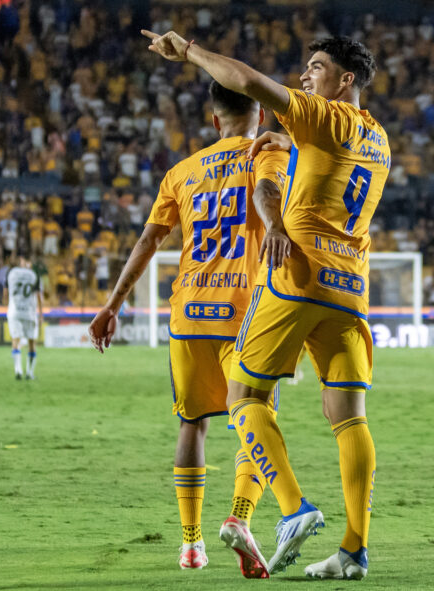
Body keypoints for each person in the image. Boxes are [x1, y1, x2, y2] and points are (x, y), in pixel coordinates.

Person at [142, 29, 387, 580]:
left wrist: (191, 53)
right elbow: (324, 172)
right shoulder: (378, 138)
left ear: (346, 81)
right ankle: (354, 549)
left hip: (297, 276)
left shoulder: (327, 117)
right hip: (350, 288)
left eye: (317, 67)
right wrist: (288, 147)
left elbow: (249, 82)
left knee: (243, 394)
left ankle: (294, 509)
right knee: (348, 415)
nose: (306, 75)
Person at [88, 82, 288, 576]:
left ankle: (191, 544)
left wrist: (112, 304)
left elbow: (148, 241)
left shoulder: (181, 172)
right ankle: (239, 519)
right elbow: (278, 192)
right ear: (259, 116)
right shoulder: (266, 156)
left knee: (191, 423)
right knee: (258, 417)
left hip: (189, 312)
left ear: (214, 121)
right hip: (246, 313)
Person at [5, 256, 42, 380]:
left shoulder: (10, 274)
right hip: (29, 313)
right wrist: (41, 314)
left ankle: (18, 370)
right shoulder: (33, 275)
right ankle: (29, 373)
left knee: (15, 340)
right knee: (32, 342)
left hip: (14, 311)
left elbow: (5, 294)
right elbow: (38, 296)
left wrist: (7, 304)